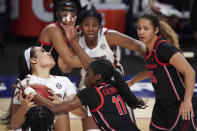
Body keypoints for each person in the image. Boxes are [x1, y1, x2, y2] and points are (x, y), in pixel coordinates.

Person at [59, 9, 147, 131]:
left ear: (99, 26)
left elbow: (139, 46)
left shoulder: (109, 36)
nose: (90, 29)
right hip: (89, 88)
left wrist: (151, 59)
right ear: (79, 26)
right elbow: (65, 68)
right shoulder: (75, 39)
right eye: (86, 25)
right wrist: (67, 45)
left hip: (113, 86)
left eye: (94, 25)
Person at [15, 58, 147, 131]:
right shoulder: (116, 86)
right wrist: (62, 102)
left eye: (88, 74)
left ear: (98, 76)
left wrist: (29, 90)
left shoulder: (91, 92)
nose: (84, 78)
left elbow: (55, 110)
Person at [127, 14, 197, 131]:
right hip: (161, 105)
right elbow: (152, 68)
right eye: (139, 28)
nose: (141, 32)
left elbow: (190, 72)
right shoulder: (149, 49)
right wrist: (132, 82)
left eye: (146, 28)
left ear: (156, 30)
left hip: (179, 104)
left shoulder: (163, 47)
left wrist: (187, 101)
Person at [11, 46, 86, 131]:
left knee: (61, 109)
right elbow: (14, 125)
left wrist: (62, 104)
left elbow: (82, 113)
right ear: (34, 60)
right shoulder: (24, 84)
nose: (49, 53)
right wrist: (24, 108)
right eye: (42, 51)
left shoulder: (64, 81)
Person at [39, 0, 81, 75]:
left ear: (75, 16)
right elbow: (71, 61)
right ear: (57, 15)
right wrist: (96, 61)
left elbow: (66, 69)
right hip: (39, 75)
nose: (67, 19)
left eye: (71, 16)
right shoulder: (52, 28)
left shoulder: (75, 32)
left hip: (55, 76)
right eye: (65, 16)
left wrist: (72, 41)